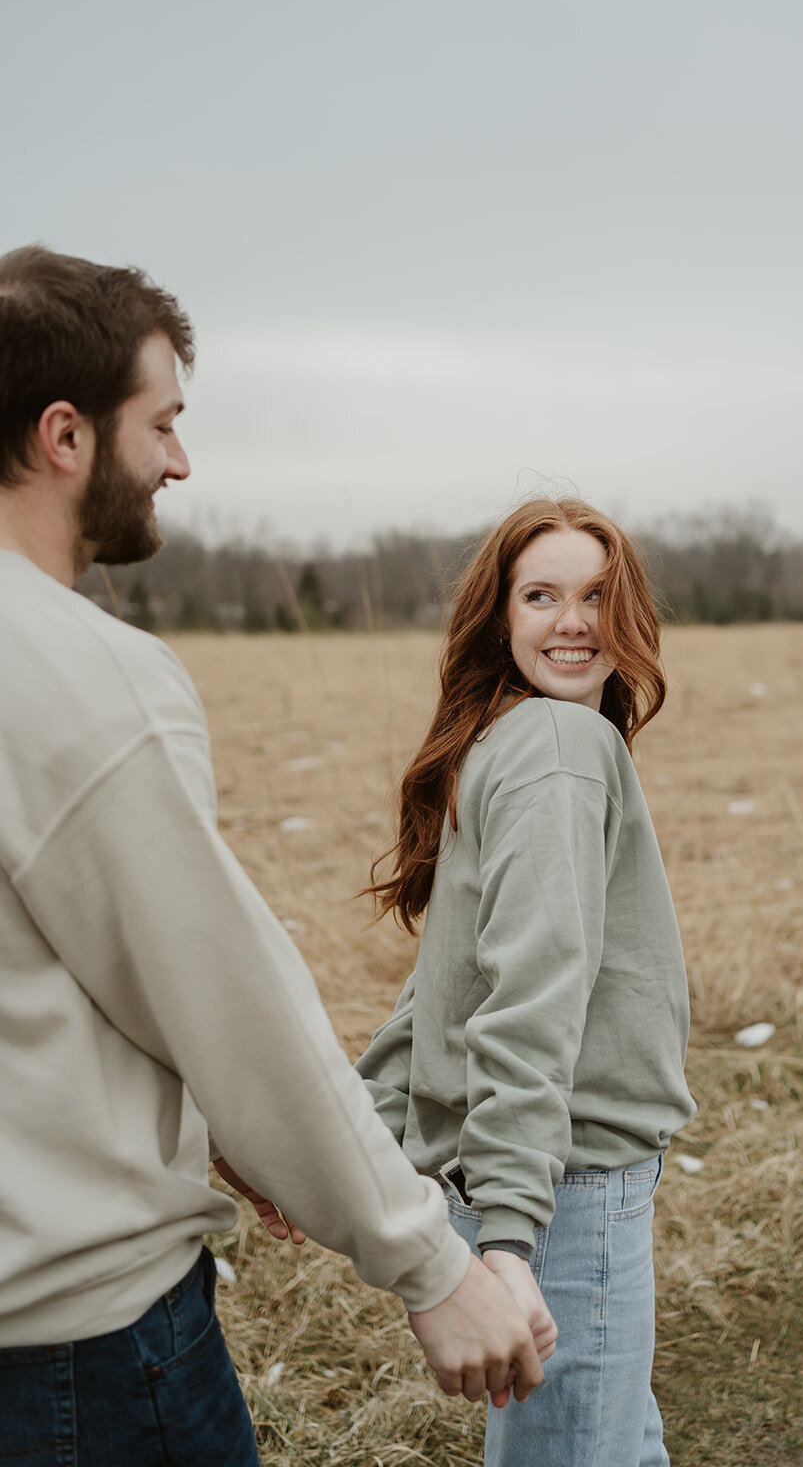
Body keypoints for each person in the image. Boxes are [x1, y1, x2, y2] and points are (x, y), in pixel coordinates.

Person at [0, 245, 551, 1467]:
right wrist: (427, 1260)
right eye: (163, 422)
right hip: (74, 1361)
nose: (181, 462)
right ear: (64, 436)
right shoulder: (82, 677)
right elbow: (226, 1001)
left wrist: (218, 1128)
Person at [358, 498, 696, 1467]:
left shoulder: (508, 740)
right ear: (499, 617)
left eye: (595, 595)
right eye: (539, 594)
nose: (572, 621)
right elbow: (528, 1001)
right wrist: (510, 1231)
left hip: (540, 1174)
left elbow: (444, 991)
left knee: (617, 1444)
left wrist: (355, 1126)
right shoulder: (558, 748)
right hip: (565, 1188)